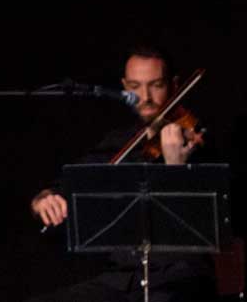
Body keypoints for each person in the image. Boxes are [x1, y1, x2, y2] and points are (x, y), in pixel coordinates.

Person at [28, 46, 217, 301]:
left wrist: (176, 168)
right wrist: (44, 199)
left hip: (178, 280)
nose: (145, 96)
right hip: (122, 281)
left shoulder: (197, 142)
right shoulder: (117, 143)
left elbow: (207, 224)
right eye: (135, 86)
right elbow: (68, 185)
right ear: (124, 87)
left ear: (174, 85)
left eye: (156, 85)